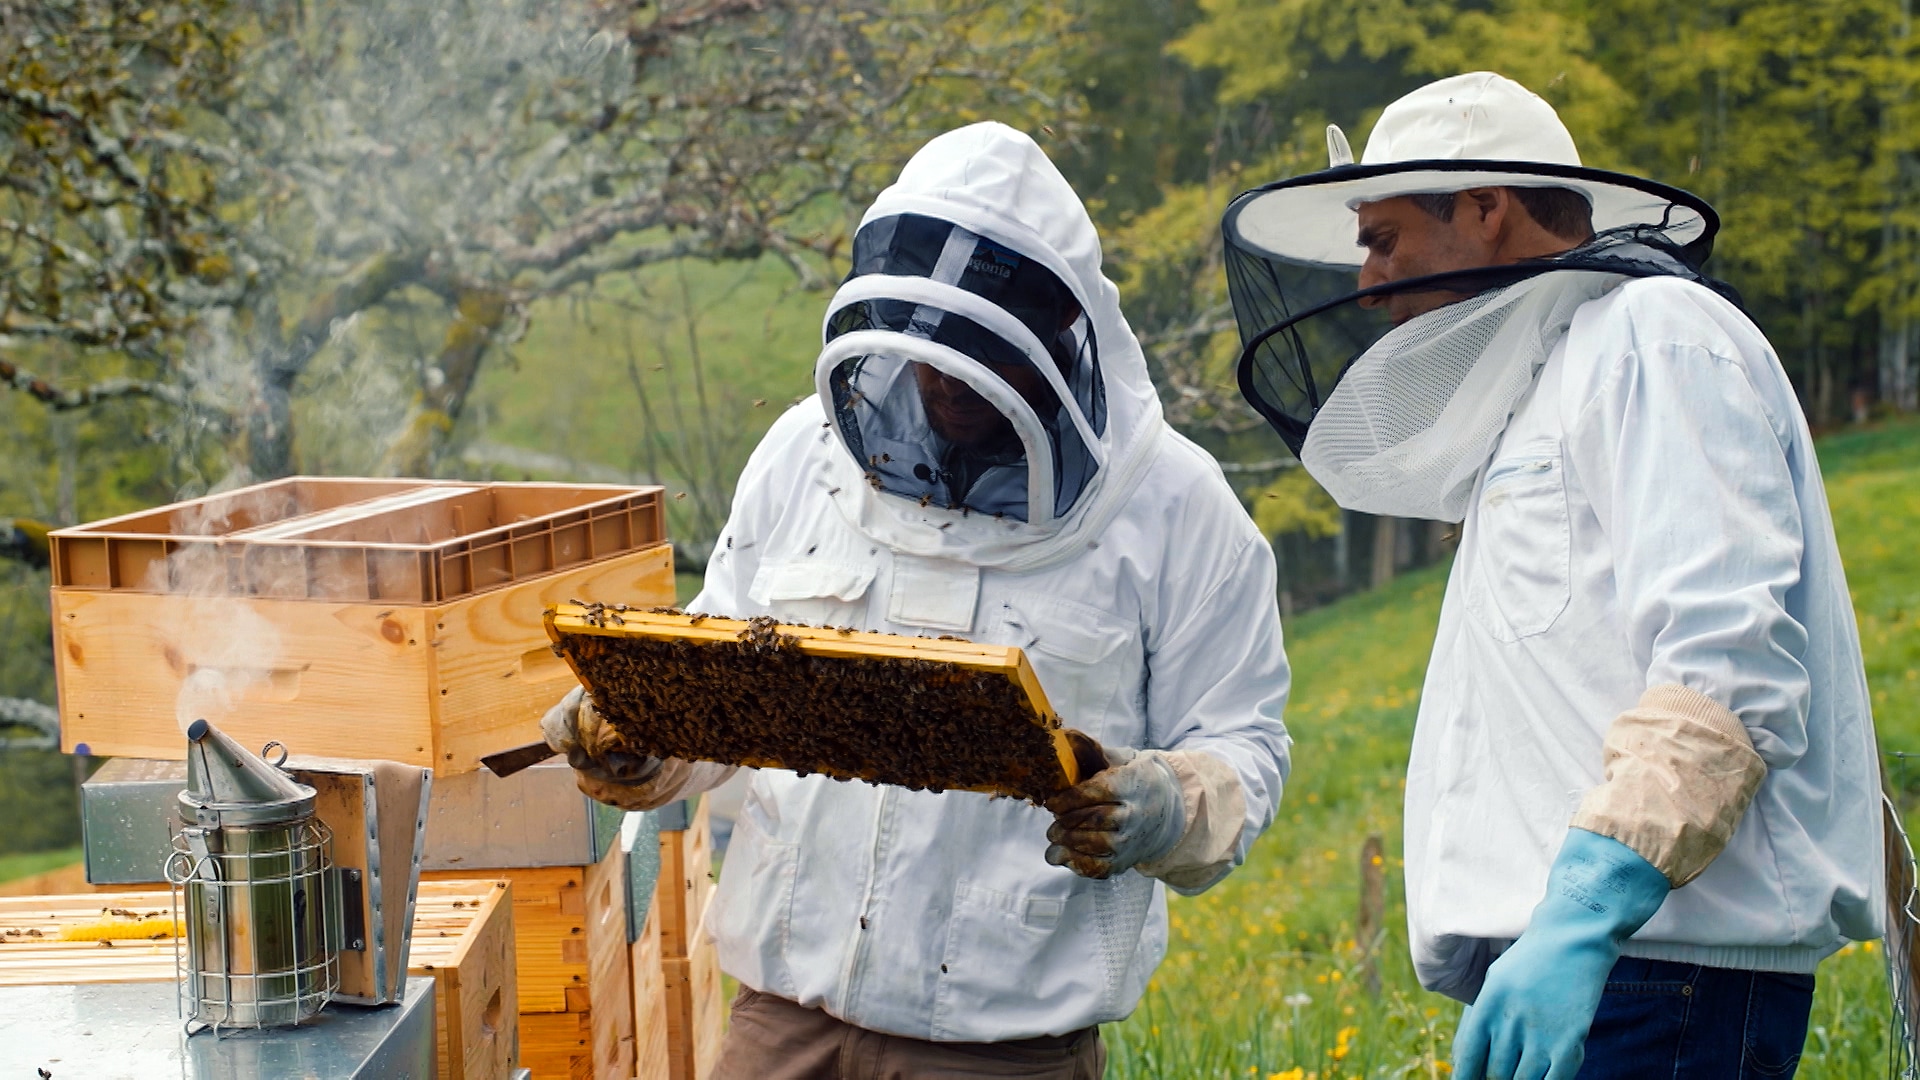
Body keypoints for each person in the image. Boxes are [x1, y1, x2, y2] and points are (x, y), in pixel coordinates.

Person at [545, 121, 1293, 1079]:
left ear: (1063, 339)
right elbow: (725, 684)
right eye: (924, 342)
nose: (943, 375)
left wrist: (1168, 802)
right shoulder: (800, 459)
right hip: (782, 1019)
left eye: (978, 348)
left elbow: (1248, 747)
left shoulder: (1179, 514)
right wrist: (645, 734)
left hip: (1002, 1049)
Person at [1220, 72, 1882, 1079]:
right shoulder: (1553, 380)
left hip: (1659, 972)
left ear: (1486, 210)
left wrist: (1582, 914)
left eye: (1385, 237)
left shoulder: (1657, 335)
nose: (1365, 278)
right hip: (1599, 967)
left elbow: (1727, 666)